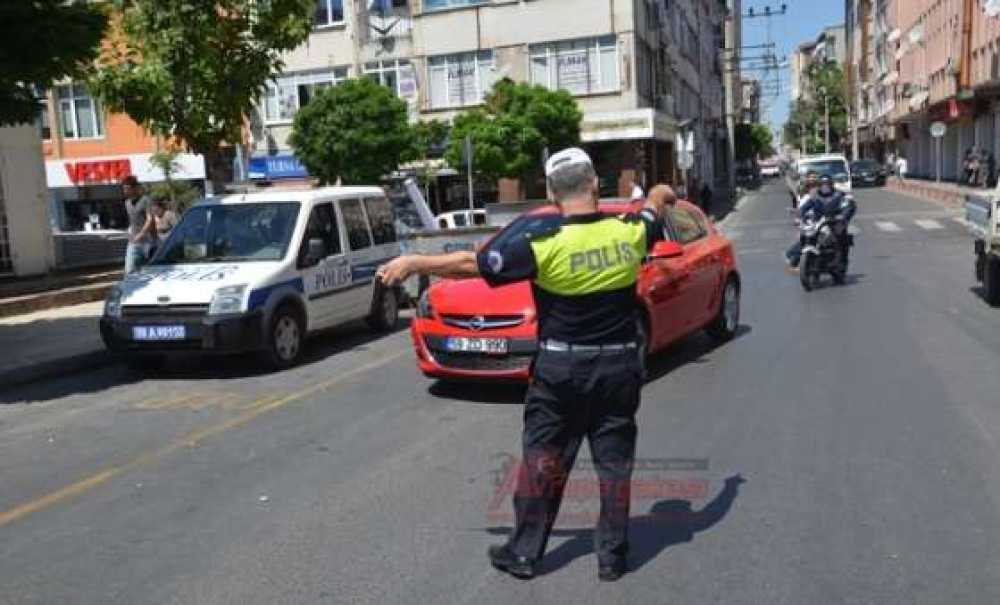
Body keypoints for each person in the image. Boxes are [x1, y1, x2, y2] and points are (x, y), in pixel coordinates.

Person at [377, 148, 674, 582]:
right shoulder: (628, 234)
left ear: (553, 194)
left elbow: (470, 264)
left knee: (543, 462)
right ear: (595, 185)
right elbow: (655, 208)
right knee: (614, 464)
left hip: (561, 373)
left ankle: (524, 552)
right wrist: (662, 192)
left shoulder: (542, 244)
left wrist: (414, 262)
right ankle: (612, 558)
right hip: (619, 367)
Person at [785, 174, 856, 270]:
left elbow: (849, 206)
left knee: (839, 236)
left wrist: (843, 216)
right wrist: (799, 213)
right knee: (806, 236)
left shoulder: (838, 195)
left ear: (831, 185)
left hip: (834, 223)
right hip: (818, 223)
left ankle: (839, 261)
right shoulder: (815, 196)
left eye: (827, 184)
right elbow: (805, 207)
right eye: (822, 184)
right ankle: (796, 257)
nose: (825, 187)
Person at [121, 176, 154, 273]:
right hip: (134, 242)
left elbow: (150, 219)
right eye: (124, 188)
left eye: (127, 188)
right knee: (129, 270)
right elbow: (132, 221)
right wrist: (129, 231)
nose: (125, 191)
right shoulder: (127, 203)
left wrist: (141, 234)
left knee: (146, 272)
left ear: (134, 188)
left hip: (148, 242)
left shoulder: (145, 200)